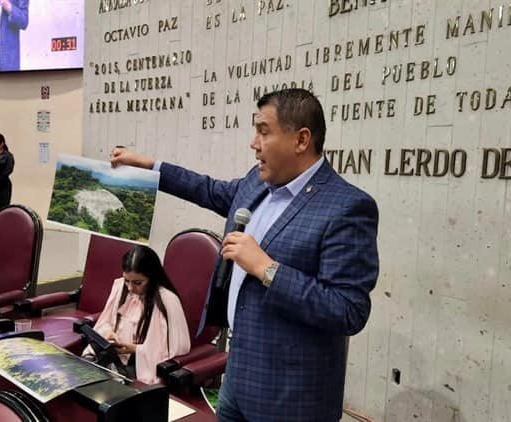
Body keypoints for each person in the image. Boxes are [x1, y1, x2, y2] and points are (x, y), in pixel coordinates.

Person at [111, 88, 379, 422]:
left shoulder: (346, 207)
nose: (254, 143)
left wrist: (267, 269)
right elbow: (207, 189)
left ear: (301, 139)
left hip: (292, 397)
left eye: (264, 131)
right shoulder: (257, 181)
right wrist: (152, 167)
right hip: (237, 378)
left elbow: (348, 310)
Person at [82, 245, 190, 384]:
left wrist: (135, 350)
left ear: (152, 277)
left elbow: (173, 351)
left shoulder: (167, 300)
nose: (130, 288)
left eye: (138, 283)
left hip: (141, 368)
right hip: (114, 358)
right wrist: (108, 333)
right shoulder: (121, 286)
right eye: (127, 280)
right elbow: (105, 321)